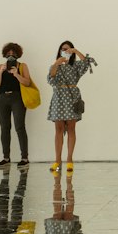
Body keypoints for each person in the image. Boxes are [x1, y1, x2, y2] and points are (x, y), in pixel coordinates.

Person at [47, 41, 95, 174]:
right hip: (58, 98)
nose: (65, 51)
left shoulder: (76, 65)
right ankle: (57, 160)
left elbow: (86, 63)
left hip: (72, 97)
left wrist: (76, 51)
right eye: (63, 49)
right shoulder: (54, 66)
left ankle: (69, 159)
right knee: (58, 129)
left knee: (72, 128)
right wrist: (57, 63)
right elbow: (51, 80)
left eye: (68, 49)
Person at [0, 43, 33, 167]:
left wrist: (16, 74)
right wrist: (1, 71)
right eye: (8, 54)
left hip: (17, 98)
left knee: (19, 127)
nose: (11, 56)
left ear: (18, 55)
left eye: (13, 54)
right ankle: (6, 157)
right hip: (1, 98)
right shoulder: (0, 66)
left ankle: (24, 158)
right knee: (4, 128)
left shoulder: (22, 66)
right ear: (5, 54)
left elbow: (27, 82)